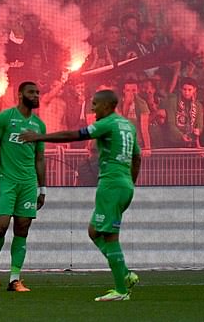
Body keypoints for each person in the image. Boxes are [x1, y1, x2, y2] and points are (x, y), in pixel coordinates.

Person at [20, 90, 141, 301]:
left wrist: (40, 137)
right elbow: (137, 157)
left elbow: (74, 135)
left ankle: (121, 290)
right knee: (94, 231)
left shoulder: (108, 123)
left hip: (111, 185)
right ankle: (125, 275)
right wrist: (130, 182)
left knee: (110, 236)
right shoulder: (128, 126)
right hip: (123, 184)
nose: (92, 108)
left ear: (106, 105)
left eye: (95, 104)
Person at [0, 81, 46, 293]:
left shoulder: (39, 125)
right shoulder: (4, 118)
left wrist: (42, 188)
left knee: (22, 229)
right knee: (0, 227)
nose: (36, 95)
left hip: (28, 184)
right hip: (6, 181)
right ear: (20, 95)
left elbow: (40, 159)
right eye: (32, 92)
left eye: (38, 92)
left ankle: (14, 279)